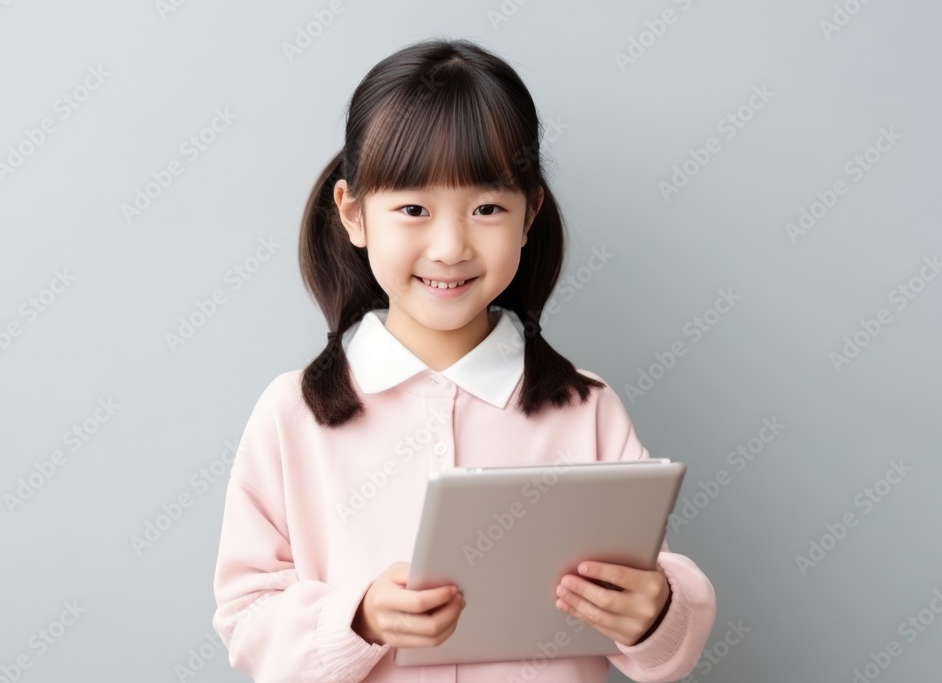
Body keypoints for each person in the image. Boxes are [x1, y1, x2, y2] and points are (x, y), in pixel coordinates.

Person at [211, 36, 716, 683]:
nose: (449, 247)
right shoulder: (293, 415)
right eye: (414, 209)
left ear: (529, 213)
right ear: (354, 213)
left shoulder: (586, 407)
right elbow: (248, 615)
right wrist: (357, 617)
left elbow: (654, 594)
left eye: (486, 208)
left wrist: (657, 609)